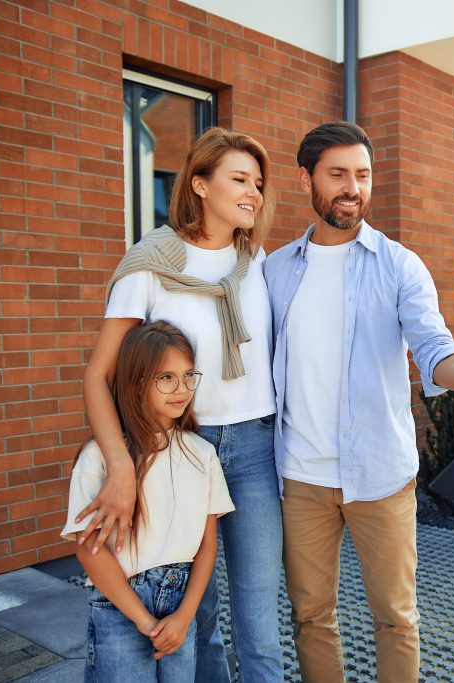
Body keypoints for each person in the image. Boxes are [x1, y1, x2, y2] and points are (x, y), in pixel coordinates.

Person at [263, 120, 454, 683]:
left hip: (380, 475)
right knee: (311, 616)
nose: (352, 188)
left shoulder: (399, 266)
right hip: (300, 476)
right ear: (305, 180)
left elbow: (436, 349)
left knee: (396, 618)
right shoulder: (273, 271)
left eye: (362, 175)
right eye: (337, 174)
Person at [78, 128, 284, 681]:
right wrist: (120, 467)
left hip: (255, 450)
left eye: (258, 183)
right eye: (239, 179)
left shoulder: (256, 262)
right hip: (181, 453)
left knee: (261, 620)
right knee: (197, 617)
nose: (253, 192)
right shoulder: (150, 264)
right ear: (199, 184)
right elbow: (99, 376)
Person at [62, 321, 235, 682]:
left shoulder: (202, 454)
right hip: (120, 606)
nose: (182, 388)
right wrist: (143, 619)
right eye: (166, 378)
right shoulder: (99, 458)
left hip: (182, 604)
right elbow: (88, 549)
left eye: (189, 375)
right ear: (137, 381)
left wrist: (185, 616)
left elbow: (207, 546)